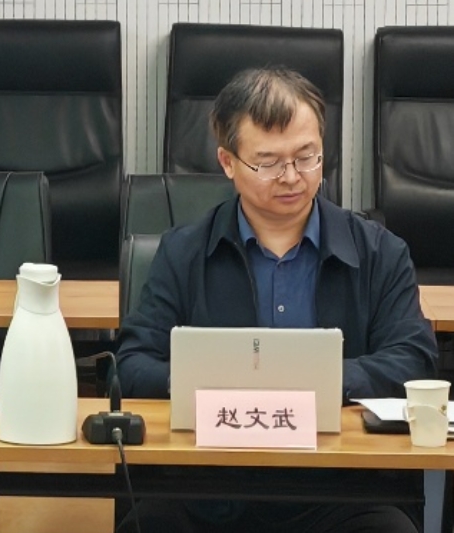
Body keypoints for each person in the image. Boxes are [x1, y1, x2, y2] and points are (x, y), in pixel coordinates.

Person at [116, 67, 437, 532]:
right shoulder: (183, 252)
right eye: (268, 163)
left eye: (307, 157)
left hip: (341, 490)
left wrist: (321, 381)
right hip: (209, 489)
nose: (292, 177)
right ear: (228, 162)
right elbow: (131, 363)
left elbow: (414, 358)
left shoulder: (379, 252)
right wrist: (205, 384)